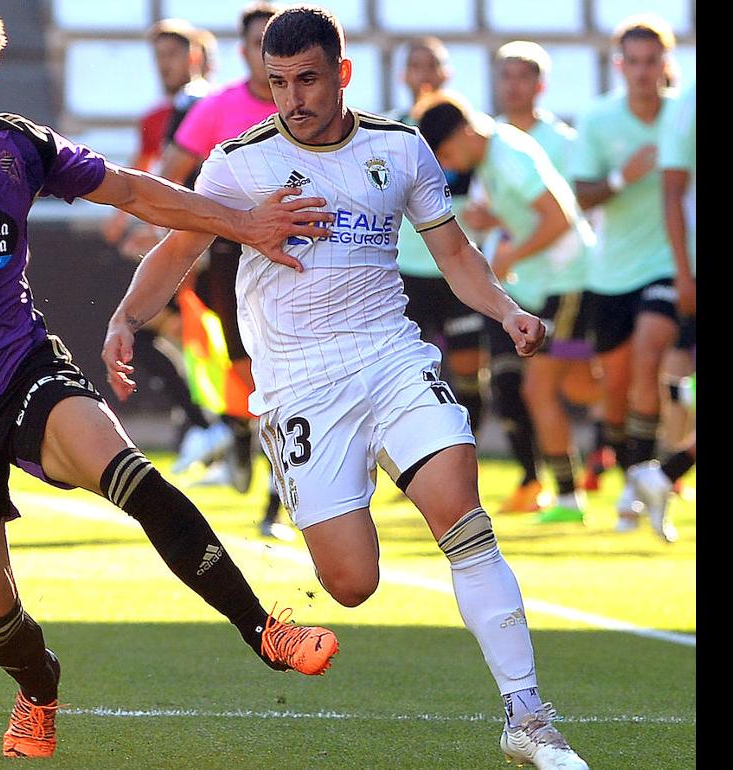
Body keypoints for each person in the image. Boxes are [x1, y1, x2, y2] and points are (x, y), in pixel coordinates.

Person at [0, 1, 339, 759]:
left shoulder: (19, 146)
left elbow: (132, 191)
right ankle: (38, 688)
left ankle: (265, 630)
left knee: (134, 478)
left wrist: (244, 222)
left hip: (19, 365)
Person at [103, 8, 588, 768]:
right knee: (353, 581)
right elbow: (177, 247)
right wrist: (127, 317)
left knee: (462, 510)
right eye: (278, 83)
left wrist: (506, 306)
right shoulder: (238, 162)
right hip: (299, 386)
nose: (292, 97)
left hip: (390, 356)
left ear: (342, 74)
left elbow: (456, 253)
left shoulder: (400, 149)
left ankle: (528, 718)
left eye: (307, 79)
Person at [156, 3, 294, 537]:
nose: (271, 56)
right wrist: (174, 247)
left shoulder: (314, 109)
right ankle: (238, 432)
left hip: (299, 258)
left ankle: (277, 504)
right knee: (244, 371)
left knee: (284, 379)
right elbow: (171, 178)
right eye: (262, 45)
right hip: (231, 260)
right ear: (245, 52)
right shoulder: (217, 109)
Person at [466, 42, 602, 523]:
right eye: (505, 76)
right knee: (516, 384)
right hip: (517, 282)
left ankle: (588, 473)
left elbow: (566, 210)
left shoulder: (558, 141)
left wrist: (513, 247)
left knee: (574, 383)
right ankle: (542, 483)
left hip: (561, 276)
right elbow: (491, 212)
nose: (513, 85)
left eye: (523, 76)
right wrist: (489, 225)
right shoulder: (489, 141)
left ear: (541, 84)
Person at [99, 18, 226, 474]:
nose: (164, 65)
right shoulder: (158, 115)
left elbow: (182, 176)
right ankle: (213, 428)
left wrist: (153, 229)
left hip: (202, 237)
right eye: (159, 58)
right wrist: (122, 219)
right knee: (179, 334)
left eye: (172, 55)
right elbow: (146, 170)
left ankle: (216, 427)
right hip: (178, 233)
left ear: (195, 57)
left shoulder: (204, 105)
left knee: (177, 334)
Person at [569, 15, 680, 531]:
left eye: (651, 60)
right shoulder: (597, 119)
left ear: (666, 63)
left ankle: (646, 478)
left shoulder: (683, 115)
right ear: (620, 66)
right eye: (632, 62)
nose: (642, 71)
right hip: (609, 272)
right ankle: (637, 478)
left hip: (669, 263)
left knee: (648, 358)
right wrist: (622, 176)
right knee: (614, 394)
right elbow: (582, 194)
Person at [388, 38, 496, 504]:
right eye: (415, 64)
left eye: (433, 64)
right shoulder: (388, 135)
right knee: (407, 376)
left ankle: (460, 465)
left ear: (448, 72)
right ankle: (417, 468)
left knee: (470, 373)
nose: (424, 72)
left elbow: (485, 197)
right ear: (402, 75)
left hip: (454, 270)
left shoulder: (468, 133)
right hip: (406, 271)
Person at [628, 78, 697, 542]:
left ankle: (665, 471)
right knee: (669, 367)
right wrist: (684, 273)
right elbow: (672, 191)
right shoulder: (689, 103)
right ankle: (662, 470)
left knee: (677, 371)